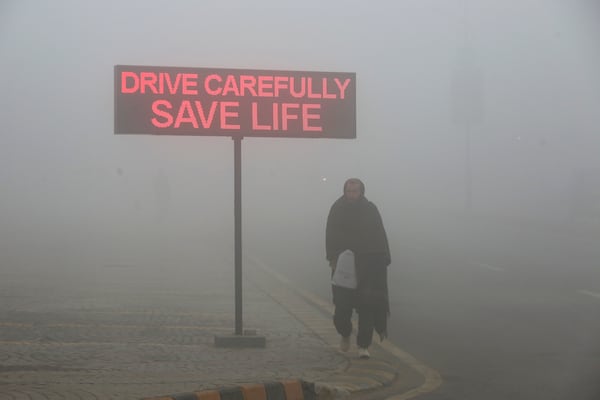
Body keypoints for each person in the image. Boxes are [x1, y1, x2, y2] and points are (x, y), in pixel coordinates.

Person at [326, 178, 391, 359]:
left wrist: (380, 259)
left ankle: (363, 346)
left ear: (361, 192)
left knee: (367, 307)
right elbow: (330, 235)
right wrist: (333, 257)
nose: (352, 194)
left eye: (355, 191)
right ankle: (345, 333)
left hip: (367, 267)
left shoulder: (370, 210)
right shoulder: (337, 209)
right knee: (342, 310)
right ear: (344, 191)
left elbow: (379, 235)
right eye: (349, 191)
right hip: (343, 267)